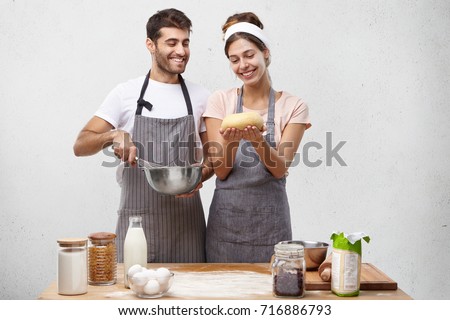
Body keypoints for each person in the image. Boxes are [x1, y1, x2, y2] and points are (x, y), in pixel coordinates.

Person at [73, 8, 212, 263]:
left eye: (185, 43)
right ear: (150, 44)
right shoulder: (126, 93)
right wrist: (114, 135)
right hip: (138, 222)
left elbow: (213, 158)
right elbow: (80, 144)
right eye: (172, 43)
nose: (181, 51)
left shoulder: (201, 97)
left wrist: (199, 177)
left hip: (187, 224)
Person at [203, 12, 311, 263]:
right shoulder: (220, 101)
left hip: (270, 226)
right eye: (234, 59)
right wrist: (231, 141)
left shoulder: (294, 106)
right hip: (225, 227)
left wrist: (257, 141)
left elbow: (280, 168)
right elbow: (220, 171)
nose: (243, 65)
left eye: (249, 55)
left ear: (265, 52)